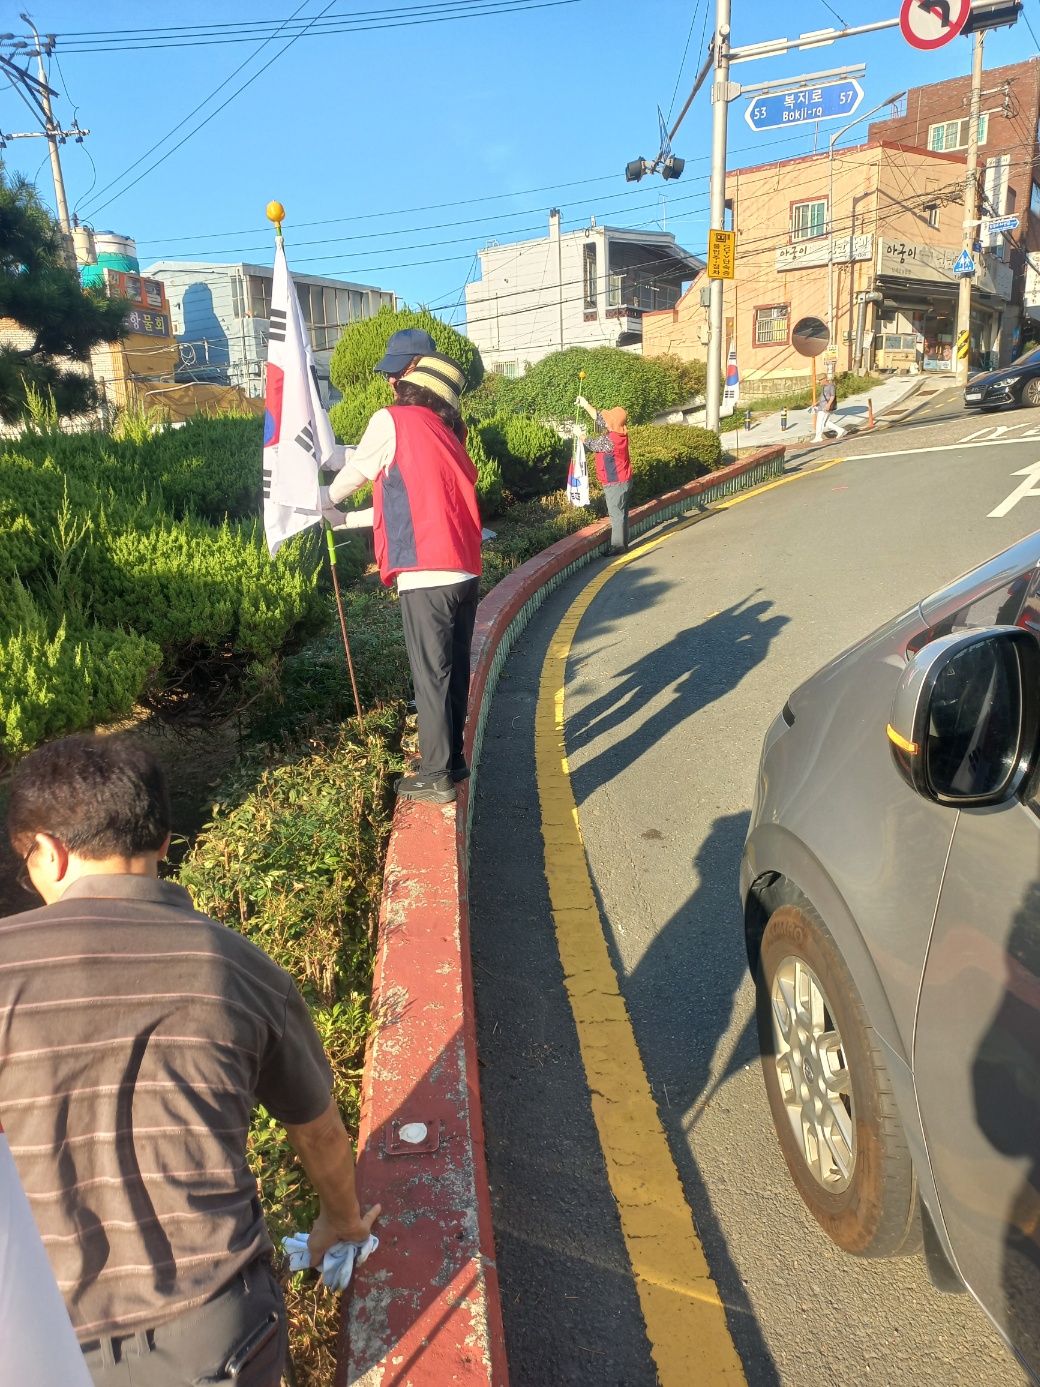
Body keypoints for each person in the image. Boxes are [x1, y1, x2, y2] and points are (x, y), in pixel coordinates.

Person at [1, 734, 379, 1387]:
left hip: (45, 1338)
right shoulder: (240, 966)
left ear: (52, 852)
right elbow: (318, 1130)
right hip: (216, 1333)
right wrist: (339, 1223)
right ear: (165, 842)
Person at [326, 353, 482, 806]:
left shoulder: (393, 420)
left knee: (430, 674)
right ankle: (451, 760)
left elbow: (353, 476)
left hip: (427, 570)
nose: (392, 384)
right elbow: (402, 506)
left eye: (398, 379)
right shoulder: (449, 435)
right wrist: (344, 519)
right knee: (452, 671)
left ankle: (434, 776)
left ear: (409, 387)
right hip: (463, 569)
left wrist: (320, 500)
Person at [575, 395, 633, 553]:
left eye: (608, 419)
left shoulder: (611, 440)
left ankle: (618, 546)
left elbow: (592, 444)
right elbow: (600, 418)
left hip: (615, 482)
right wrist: (586, 404)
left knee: (616, 514)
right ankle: (623, 542)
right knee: (622, 513)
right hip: (624, 479)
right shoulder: (620, 433)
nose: (604, 420)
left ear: (613, 423)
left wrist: (579, 434)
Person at [813, 374, 848, 443]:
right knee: (826, 422)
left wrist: (828, 405)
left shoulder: (831, 386)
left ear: (824, 379)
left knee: (820, 422)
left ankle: (818, 437)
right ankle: (840, 430)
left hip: (826, 407)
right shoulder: (824, 387)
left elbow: (832, 396)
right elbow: (823, 398)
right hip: (822, 406)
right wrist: (817, 403)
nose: (820, 382)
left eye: (820, 380)